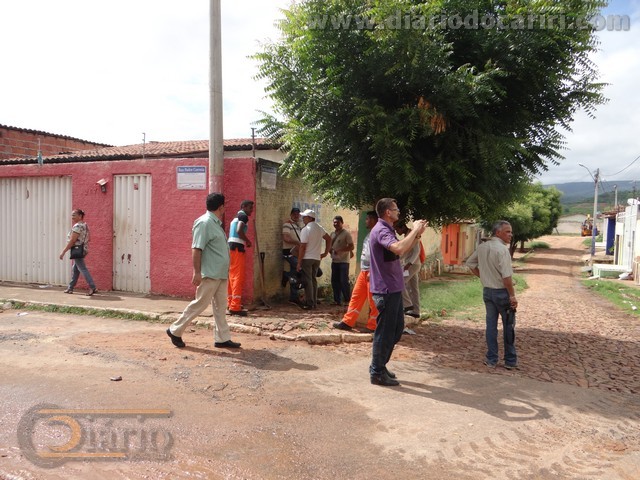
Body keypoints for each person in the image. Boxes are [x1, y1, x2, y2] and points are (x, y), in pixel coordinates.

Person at [166, 193, 241, 349]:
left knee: (220, 307)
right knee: (200, 303)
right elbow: (196, 248)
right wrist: (197, 272)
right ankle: (175, 330)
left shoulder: (215, 223)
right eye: (224, 206)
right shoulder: (204, 223)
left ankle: (222, 338)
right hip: (210, 274)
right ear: (221, 207)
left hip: (220, 274)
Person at [369, 198, 427, 386]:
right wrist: (414, 230)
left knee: (395, 330)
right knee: (385, 332)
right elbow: (399, 248)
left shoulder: (388, 229)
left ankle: (380, 365)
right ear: (388, 212)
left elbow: (401, 248)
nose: (398, 212)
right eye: (396, 209)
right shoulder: (381, 230)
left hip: (393, 287)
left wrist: (417, 235)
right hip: (386, 289)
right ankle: (377, 372)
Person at [465, 220, 518, 369]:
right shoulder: (502, 250)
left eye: (511, 232)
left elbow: (470, 263)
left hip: (488, 291)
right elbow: (506, 277)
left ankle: (491, 359)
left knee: (491, 326)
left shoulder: (482, 247)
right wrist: (512, 295)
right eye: (507, 232)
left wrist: (483, 276)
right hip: (502, 292)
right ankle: (510, 360)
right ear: (498, 233)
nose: (511, 235)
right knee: (508, 326)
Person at [333, 211, 379, 332]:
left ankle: (373, 326)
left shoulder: (378, 235)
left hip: (372, 272)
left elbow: (378, 255)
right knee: (356, 297)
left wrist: (372, 270)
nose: (366, 221)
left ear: (373, 220)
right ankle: (348, 322)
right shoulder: (370, 234)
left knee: (373, 300)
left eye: (367, 219)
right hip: (364, 271)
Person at [296, 209, 331, 310]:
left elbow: (302, 247)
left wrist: (299, 262)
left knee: (308, 280)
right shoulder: (319, 228)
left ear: (310, 218)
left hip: (307, 258)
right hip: (317, 258)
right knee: (313, 279)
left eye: (305, 217)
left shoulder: (305, 229)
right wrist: (325, 253)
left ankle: (309, 303)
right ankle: (314, 302)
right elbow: (329, 239)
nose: (303, 219)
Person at [59, 209, 97, 296]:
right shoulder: (85, 225)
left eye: (74, 215)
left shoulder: (77, 226)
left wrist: (63, 252)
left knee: (82, 269)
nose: (72, 217)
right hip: (83, 249)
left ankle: (92, 287)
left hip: (77, 250)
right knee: (75, 269)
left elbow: (72, 241)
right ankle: (70, 287)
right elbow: (89, 238)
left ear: (80, 216)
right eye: (72, 215)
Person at [227, 199, 254, 316]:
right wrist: (247, 241)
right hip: (237, 248)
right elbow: (239, 230)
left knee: (232, 276)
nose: (251, 210)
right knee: (238, 276)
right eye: (250, 208)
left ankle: (231, 303)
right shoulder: (243, 216)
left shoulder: (236, 217)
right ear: (243, 206)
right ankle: (235, 306)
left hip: (231, 248)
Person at [394, 222, 422, 318]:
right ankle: (416, 311)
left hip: (412, 265)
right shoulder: (407, 235)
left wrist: (409, 264)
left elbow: (417, 251)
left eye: (397, 229)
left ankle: (407, 305)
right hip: (411, 264)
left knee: (399, 283)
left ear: (402, 227)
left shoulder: (412, 234)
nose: (397, 232)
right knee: (413, 288)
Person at [329, 215, 354, 306]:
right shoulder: (332, 234)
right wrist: (330, 251)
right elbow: (329, 245)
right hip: (334, 261)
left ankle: (347, 300)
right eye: (334, 222)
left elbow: (351, 246)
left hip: (344, 261)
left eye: (338, 222)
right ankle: (337, 300)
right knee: (334, 281)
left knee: (343, 281)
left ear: (342, 223)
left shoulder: (346, 234)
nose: (336, 224)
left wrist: (340, 250)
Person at [282, 207, 305, 305]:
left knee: (295, 274)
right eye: (294, 214)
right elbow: (286, 238)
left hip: (297, 252)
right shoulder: (287, 224)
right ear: (291, 214)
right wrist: (297, 242)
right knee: (301, 269)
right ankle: (286, 275)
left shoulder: (298, 225)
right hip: (289, 252)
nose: (296, 216)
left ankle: (293, 297)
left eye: (297, 214)